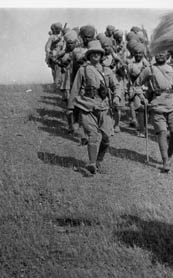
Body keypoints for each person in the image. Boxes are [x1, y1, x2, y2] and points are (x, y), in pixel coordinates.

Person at [134, 51, 173, 172]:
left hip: (172, 106)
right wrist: (143, 98)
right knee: (162, 132)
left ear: (167, 55)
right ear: (154, 55)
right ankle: (165, 161)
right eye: (158, 53)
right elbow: (136, 85)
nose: (160, 55)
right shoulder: (149, 69)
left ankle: (169, 156)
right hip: (156, 106)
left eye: (163, 53)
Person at [68, 40, 116, 175]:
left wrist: (117, 98)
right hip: (87, 106)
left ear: (101, 55)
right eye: (92, 53)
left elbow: (116, 86)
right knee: (92, 135)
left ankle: (99, 161)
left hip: (104, 107)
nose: (95, 55)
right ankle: (92, 163)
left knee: (106, 137)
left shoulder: (107, 71)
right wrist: (71, 107)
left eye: (98, 53)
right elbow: (75, 88)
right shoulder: (83, 70)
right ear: (88, 55)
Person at [126, 41, 150, 137]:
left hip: (146, 88)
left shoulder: (146, 64)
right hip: (136, 88)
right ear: (133, 54)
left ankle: (145, 128)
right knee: (140, 109)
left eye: (140, 53)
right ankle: (141, 130)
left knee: (146, 109)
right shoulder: (131, 65)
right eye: (136, 53)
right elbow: (129, 78)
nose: (138, 55)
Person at [45, 22, 65, 89]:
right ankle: (56, 84)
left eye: (59, 29)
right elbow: (47, 47)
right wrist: (50, 53)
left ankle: (59, 83)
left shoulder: (62, 37)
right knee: (55, 69)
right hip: (54, 55)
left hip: (61, 55)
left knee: (60, 70)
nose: (58, 30)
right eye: (57, 29)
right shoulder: (52, 37)